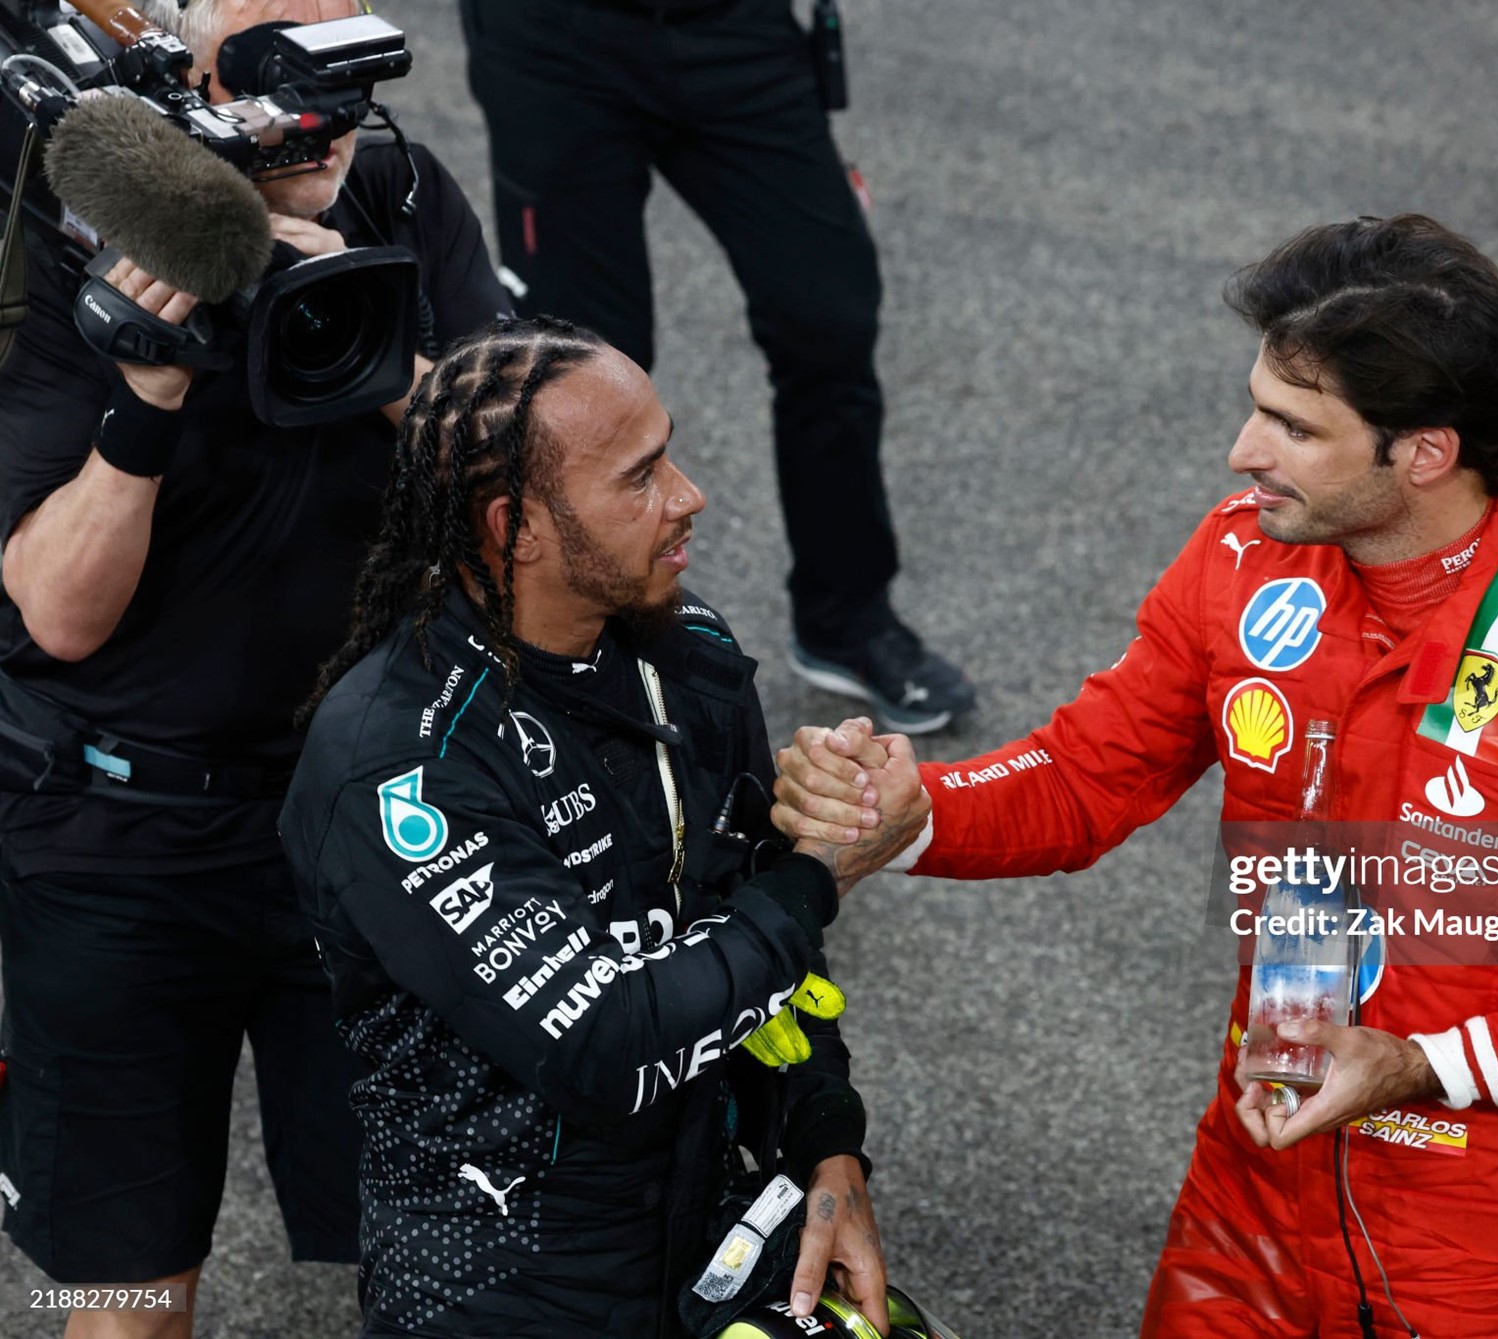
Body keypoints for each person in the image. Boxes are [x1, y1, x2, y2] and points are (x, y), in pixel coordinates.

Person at [770, 215, 1498, 1336]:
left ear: (1423, 451)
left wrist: (1420, 1064)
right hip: (1246, 1200)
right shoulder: (1240, 554)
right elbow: (1082, 778)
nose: (1241, 452)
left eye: (1290, 425)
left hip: (1467, 1237)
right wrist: (916, 812)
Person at [0, 1, 512, 1333]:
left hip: (372, 823)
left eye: (345, 49)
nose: (320, 114)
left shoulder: (396, 186)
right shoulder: (70, 232)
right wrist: (146, 389)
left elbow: (533, 499)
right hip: (117, 840)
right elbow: (55, 613)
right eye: (282, 61)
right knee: (123, 1291)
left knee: (448, 1260)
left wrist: (369, 338)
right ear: (185, 68)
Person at [280, 315, 928, 1336]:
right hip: (501, 1283)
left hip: (696, 1222)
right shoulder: (402, 765)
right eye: (640, 477)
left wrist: (826, 1147)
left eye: (667, 455)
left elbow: (751, 938)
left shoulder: (689, 653)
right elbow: (608, 1051)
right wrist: (818, 875)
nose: (688, 497)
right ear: (514, 527)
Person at [458, 0, 977, 734]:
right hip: (556, 39)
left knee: (828, 316)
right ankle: (592, 651)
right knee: (584, 374)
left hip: (733, 27)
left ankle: (846, 616)